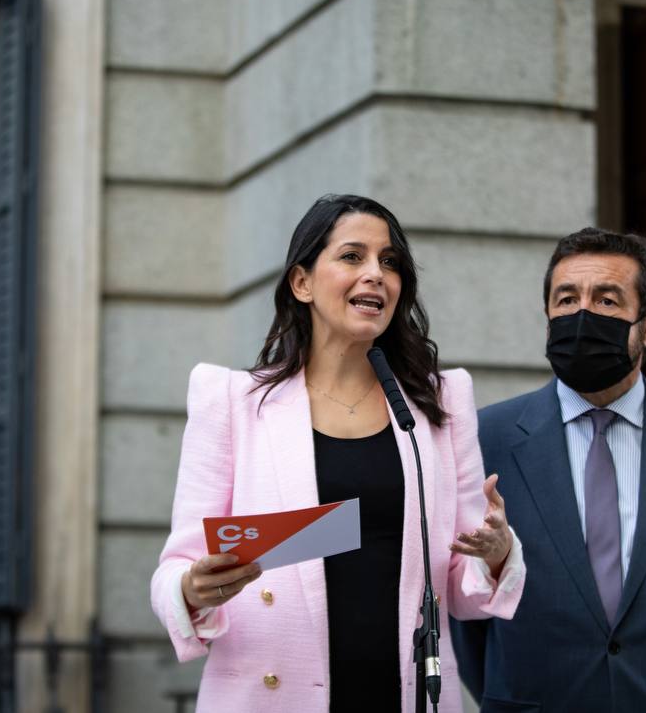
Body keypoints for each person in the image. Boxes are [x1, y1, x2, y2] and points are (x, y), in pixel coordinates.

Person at [151, 194, 525, 713]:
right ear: (301, 282)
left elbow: (462, 591)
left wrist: (497, 550)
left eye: (389, 262)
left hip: (408, 694)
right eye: (352, 256)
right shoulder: (231, 403)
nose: (375, 273)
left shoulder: (439, 404)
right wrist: (194, 587)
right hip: (269, 695)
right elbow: (175, 569)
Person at [451, 228, 646, 713]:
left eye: (606, 301)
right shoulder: (484, 438)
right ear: (547, 317)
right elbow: (464, 608)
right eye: (566, 299)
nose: (582, 316)